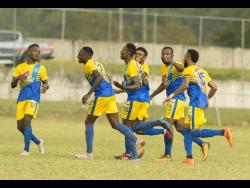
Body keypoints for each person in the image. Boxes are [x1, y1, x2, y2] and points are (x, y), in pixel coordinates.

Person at [164, 49, 233, 164]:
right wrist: (207, 98)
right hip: (200, 104)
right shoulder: (203, 71)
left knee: (192, 133)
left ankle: (223, 132)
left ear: (188, 57)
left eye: (184, 56)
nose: (183, 58)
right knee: (186, 131)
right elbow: (214, 87)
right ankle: (189, 158)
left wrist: (171, 95)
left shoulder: (188, 70)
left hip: (195, 104)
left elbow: (185, 85)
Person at [74, 46, 144, 160]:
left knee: (88, 122)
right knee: (115, 124)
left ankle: (89, 154)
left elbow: (99, 78)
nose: (78, 56)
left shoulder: (89, 64)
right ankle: (137, 140)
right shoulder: (97, 63)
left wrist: (88, 94)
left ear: (87, 56)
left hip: (102, 95)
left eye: (80, 54)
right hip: (110, 94)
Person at [113, 43, 173, 160]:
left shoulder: (136, 66)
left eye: (140, 54)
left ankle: (130, 153)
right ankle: (161, 128)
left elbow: (139, 84)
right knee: (136, 128)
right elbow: (134, 84)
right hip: (141, 99)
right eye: (137, 54)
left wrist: (123, 87)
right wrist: (120, 89)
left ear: (145, 57)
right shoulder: (135, 65)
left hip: (137, 99)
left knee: (128, 127)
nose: (138, 56)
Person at [150, 47, 208, 161]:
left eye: (168, 54)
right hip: (174, 101)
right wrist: (152, 95)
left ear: (172, 55)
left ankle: (167, 155)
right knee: (180, 128)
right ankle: (203, 144)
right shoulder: (163, 69)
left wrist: (173, 62)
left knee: (167, 125)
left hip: (176, 99)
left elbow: (183, 69)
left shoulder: (178, 65)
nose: (165, 56)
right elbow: (164, 84)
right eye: (163, 54)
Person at [11, 43, 48, 156]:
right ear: (29, 52)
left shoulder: (41, 68)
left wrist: (45, 87)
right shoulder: (19, 67)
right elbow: (12, 85)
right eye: (35, 51)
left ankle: (26, 150)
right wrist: (17, 78)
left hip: (34, 97)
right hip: (22, 97)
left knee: (27, 121)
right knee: (20, 126)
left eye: (39, 51)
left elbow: (46, 83)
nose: (37, 53)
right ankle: (38, 141)